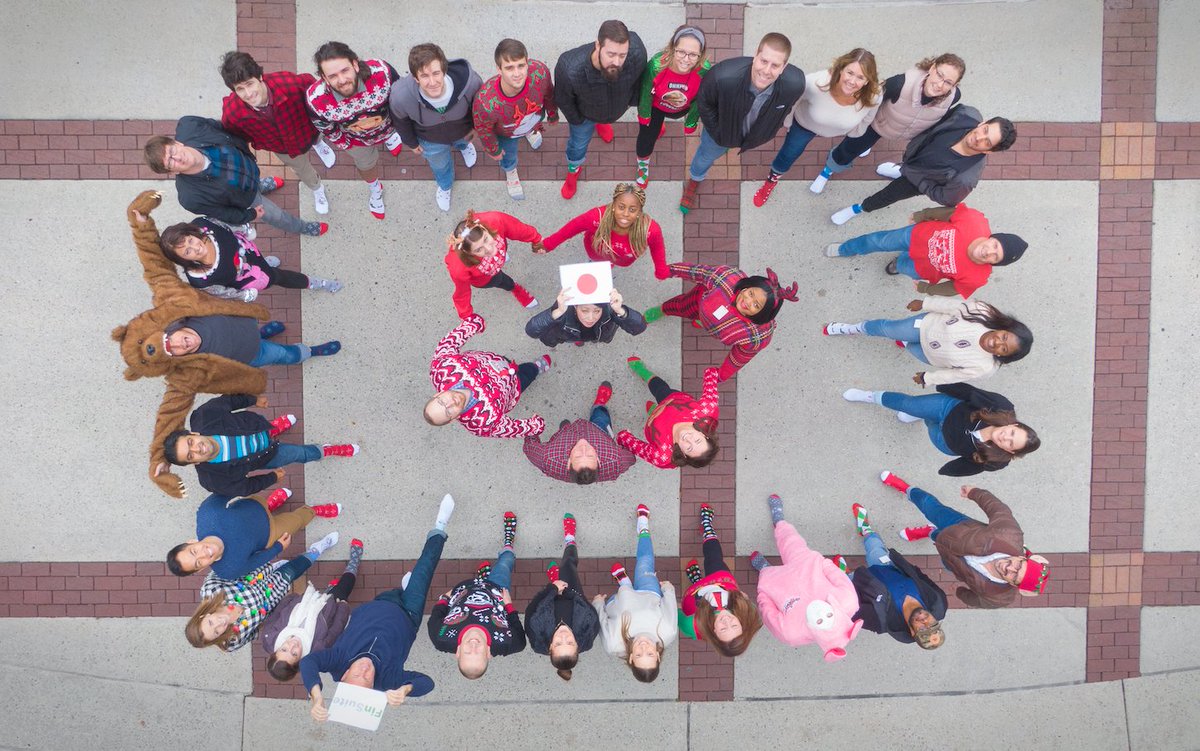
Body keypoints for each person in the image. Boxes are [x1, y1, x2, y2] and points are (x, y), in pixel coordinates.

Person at [303, 495, 456, 720]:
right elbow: (427, 683)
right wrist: (405, 690)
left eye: (357, 675)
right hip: (408, 615)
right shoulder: (388, 681)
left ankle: (405, 586)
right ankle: (440, 526)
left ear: (344, 675)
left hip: (379, 605)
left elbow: (308, 662)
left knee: (407, 584)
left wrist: (316, 696)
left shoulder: (337, 661)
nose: (364, 671)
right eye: (367, 680)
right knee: (424, 570)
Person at [879, 472, 1050, 608]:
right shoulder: (1010, 535)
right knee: (928, 505)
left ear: (1013, 585)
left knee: (938, 539)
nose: (1010, 568)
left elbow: (977, 601)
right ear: (1022, 557)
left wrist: (960, 593)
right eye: (1018, 565)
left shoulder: (999, 598)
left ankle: (930, 532)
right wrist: (974, 493)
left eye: (1014, 576)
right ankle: (908, 490)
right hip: (958, 527)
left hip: (952, 561)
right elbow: (998, 509)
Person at [680, 32, 804, 214]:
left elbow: (787, 107)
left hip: (753, 136)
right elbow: (704, 103)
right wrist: (717, 132)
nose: (767, 70)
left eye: (775, 65)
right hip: (720, 135)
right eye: (764, 61)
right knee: (704, 157)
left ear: (784, 67)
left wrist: (771, 129)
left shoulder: (795, 84)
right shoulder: (722, 76)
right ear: (755, 55)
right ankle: (695, 179)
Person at [830, 105, 1017, 225]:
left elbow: (946, 198)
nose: (979, 137)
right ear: (983, 123)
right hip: (912, 158)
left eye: (987, 142)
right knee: (905, 166)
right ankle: (901, 170)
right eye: (985, 130)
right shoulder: (966, 114)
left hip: (916, 182)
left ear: (989, 151)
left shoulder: (965, 178)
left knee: (886, 196)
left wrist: (918, 180)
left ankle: (859, 208)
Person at [143, 117, 325, 237]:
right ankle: (302, 227)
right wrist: (250, 214)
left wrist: (246, 148)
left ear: (177, 143)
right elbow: (224, 213)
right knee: (277, 216)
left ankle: (261, 186)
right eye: (170, 162)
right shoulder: (191, 198)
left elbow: (223, 128)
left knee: (253, 182)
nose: (177, 158)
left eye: (172, 152)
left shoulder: (189, 125)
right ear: (172, 172)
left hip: (248, 169)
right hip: (248, 199)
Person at [817, 53, 965, 192]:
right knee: (850, 147)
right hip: (877, 125)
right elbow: (873, 99)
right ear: (932, 68)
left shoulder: (953, 97)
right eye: (939, 75)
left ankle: (884, 158)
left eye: (948, 82)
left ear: (955, 85)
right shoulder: (900, 83)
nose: (940, 85)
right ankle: (829, 169)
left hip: (905, 132)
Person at [161, 393, 358, 497]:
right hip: (267, 455)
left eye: (190, 442)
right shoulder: (213, 481)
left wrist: (253, 400)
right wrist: (271, 478)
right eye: (190, 455)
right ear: (193, 463)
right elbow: (246, 488)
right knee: (300, 454)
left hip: (256, 426)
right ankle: (323, 451)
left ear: (193, 433)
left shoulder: (204, 416)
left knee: (267, 429)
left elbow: (229, 400)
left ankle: (274, 428)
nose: (197, 449)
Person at [753, 48, 882, 207]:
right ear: (841, 69)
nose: (852, 81)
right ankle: (771, 181)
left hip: (837, 130)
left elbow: (869, 116)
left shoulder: (874, 94)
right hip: (804, 125)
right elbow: (793, 102)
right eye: (850, 73)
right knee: (788, 154)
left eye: (860, 77)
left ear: (868, 81)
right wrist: (788, 122)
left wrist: (856, 132)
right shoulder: (815, 83)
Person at [218, 51, 337, 216]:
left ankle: (319, 145)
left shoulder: (289, 83)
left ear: (260, 77)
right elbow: (237, 135)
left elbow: (312, 87)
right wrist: (260, 142)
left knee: (317, 137)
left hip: (307, 129)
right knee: (302, 170)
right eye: (240, 89)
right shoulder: (233, 113)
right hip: (282, 148)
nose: (248, 93)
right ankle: (317, 188)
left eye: (250, 84)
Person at [824, 204, 1028, 298]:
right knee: (876, 241)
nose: (989, 252)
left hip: (920, 268)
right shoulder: (974, 220)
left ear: (994, 264)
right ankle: (846, 248)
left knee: (902, 266)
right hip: (913, 236)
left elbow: (953, 289)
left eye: (995, 257)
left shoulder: (978, 278)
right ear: (993, 237)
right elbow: (947, 213)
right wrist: (922, 215)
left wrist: (927, 289)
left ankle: (897, 264)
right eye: (995, 246)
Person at [748, 494, 863, 661]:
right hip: (806, 564)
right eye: (830, 616)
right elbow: (838, 577)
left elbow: (768, 614)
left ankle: (764, 568)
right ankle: (779, 521)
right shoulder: (848, 601)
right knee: (790, 540)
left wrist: (764, 592)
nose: (821, 613)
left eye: (820, 622)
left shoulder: (791, 634)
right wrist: (821, 562)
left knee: (767, 575)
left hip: (779, 585)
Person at [823, 297, 1033, 386]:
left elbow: (954, 376)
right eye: (1004, 337)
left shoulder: (985, 367)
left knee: (909, 347)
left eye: (1004, 349)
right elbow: (951, 306)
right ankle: (854, 328)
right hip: (925, 326)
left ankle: (904, 342)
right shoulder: (982, 312)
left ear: (1003, 356)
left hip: (929, 356)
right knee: (888, 329)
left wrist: (928, 378)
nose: (997, 343)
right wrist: (925, 303)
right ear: (1005, 328)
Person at [842, 383, 1040, 476]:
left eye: (1010, 443)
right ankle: (870, 396)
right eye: (1012, 433)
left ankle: (922, 415)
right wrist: (941, 384)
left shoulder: (998, 461)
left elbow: (970, 466)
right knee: (908, 404)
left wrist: (948, 470)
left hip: (945, 441)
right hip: (947, 408)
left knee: (930, 423)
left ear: (1010, 451)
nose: (1005, 437)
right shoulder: (1002, 407)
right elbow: (972, 393)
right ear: (1014, 425)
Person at [644, 264, 797, 381]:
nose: (748, 301)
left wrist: (722, 375)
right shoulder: (726, 278)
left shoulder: (758, 336)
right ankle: (663, 309)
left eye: (756, 305)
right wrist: (670, 270)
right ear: (747, 285)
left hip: (715, 327)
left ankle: (700, 322)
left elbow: (739, 357)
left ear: (762, 314)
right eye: (751, 293)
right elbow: (698, 272)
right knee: (679, 305)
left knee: (698, 318)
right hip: (698, 302)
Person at [305, 41, 404, 220]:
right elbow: (326, 128)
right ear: (324, 78)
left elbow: (400, 99)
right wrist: (347, 145)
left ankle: (390, 138)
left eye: (345, 70)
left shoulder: (382, 73)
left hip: (388, 126)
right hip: (358, 141)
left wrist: (398, 126)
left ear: (355, 64)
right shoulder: (317, 100)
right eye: (333, 76)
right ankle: (375, 188)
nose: (342, 80)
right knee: (366, 166)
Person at [554, 19, 648, 199]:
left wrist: (632, 101)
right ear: (598, 45)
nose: (617, 62)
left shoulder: (637, 53)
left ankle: (603, 122)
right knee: (577, 146)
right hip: (586, 115)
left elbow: (639, 81)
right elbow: (564, 100)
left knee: (602, 119)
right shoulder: (569, 68)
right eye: (611, 54)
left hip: (616, 106)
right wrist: (577, 120)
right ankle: (573, 170)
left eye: (622, 55)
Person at [428, 512, 526, 679]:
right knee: (506, 562)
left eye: (467, 652)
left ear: (458, 652)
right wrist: (509, 607)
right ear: (488, 653)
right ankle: (508, 541)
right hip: (496, 590)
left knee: (481, 580)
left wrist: (444, 599)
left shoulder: (441, 638)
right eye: (478, 652)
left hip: (465, 590)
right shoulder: (508, 642)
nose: (473, 646)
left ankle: (482, 577)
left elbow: (435, 618)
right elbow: (519, 637)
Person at [186, 545, 336, 652]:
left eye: (211, 622)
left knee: (278, 567)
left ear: (203, 615)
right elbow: (252, 634)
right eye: (216, 632)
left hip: (258, 574)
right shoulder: (232, 642)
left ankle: (276, 566)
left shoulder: (211, 591)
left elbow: (223, 570)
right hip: (273, 594)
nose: (220, 624)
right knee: (292, 570)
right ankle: (316, 551)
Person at [390, 43, 483, 211]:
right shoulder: (400, 96)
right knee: (440, 166)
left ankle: (464, 147)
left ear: (444, 71)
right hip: (430, 140)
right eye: (424, 76)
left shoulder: (471, 84)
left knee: (463, 142)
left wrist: (476, 128)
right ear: (415, 78)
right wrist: (411, 143)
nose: (432, 82)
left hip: (463, 131)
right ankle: (445, 185)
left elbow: (479, 109)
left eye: (436, 73)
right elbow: (401, 122)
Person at [425, 314, 550, 438]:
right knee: (526, 375)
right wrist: (533, 426)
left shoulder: (441, 369)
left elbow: (447, 344)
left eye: (442, 401)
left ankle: (514, 365)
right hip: (511, 387)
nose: (451, 403)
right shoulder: (480, 424)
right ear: (452, 419)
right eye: (448, 412)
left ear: (437, 394)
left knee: (506, 362)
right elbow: (508, 429)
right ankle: (535, 368)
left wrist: (472, 325)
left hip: (493, 362)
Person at [159, 217, 341, 302]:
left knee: (263, 263)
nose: (196, 247)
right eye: (187, 252)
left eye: (191, 240)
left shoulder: (202, 225)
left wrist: (244, 230)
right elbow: (223, 292)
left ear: (191, 233)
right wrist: (244, 296)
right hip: (248, 276)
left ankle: (265, 264)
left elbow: (225, 225)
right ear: (182, 260)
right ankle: (313, 283)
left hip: (248, 252)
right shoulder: (200, 280)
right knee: (277, 277)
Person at [167, 491, 341, 579]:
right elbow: (256, 561)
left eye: (194, 551)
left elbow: (227, 489)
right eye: (198, 563)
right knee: (296, 521)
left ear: (191, 541)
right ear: (201, 569)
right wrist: (278, 547)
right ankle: (311, 511)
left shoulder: (207, 514)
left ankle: (271, 504)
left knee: (265, 504)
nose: (203, 554)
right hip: (270, 533)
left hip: (254, 504)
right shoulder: (228, 571)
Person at [593, 504, 677, 683]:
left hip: (619, 601)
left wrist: (598, 604)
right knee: (645, 561)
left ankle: (624, 582)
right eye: (650, 654)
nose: (644, 647)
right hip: (649, 591)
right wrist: (668, 589)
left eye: (639, 654)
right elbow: (670, 608)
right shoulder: (668, 632)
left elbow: (602, 622)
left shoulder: (612, 644)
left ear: (631, 658)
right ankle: (643, 526)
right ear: (658, 656)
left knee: (624, 590)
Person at [843, 503, 946, 649]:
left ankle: (845, 573)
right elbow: (922, 579)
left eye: (923, 629)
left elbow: (851, 609)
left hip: (860, 584)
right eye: (933, 625)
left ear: (912, 632)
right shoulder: (938, 601)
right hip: (887, 566)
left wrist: (846, 586)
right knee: (874, 544)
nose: (925, 621)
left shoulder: (882, 623)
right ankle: (865, 529)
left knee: (843, 580)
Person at [262, 538, 364, 680]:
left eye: (284, 649)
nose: (292, 645)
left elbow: (277, 612)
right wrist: (342, 607)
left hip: (308, 600)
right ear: (299, 662)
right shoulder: (316, 650)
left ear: (276, 650)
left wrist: (292, 598)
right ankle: (354, 561)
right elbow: (335, 630)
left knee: (325, 594)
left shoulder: (269, 636)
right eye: (294, 654)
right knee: (344, 586)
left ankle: (330, 589)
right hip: (331, 609)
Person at [472, 38, 557, 201]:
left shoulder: (540, 73)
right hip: (506, 134)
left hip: (532, 120)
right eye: (509, 67)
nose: (517, 74)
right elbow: (484, 130)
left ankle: (529, 132)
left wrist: (552, 113)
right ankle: (510, 171)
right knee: (508, 155)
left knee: (531, 124)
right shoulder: (485, 103)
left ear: (527, 62)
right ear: (499, 69)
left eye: (521, 65)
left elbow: (548, 94)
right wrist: (493, 150)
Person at [524, 513, 602, 680]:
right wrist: (568, 591)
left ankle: (554, 579)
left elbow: (533, 608)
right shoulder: (587, 634)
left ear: (550, 647)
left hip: (550, 598)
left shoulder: (537, 636)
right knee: (568, 566)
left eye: (559, 643)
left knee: (556, 582)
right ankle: (570, 539)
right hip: (571, 594)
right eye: (570, 643)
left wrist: (552, 589)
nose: (564, 637)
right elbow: (588, 610)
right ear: (578, 645)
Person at [536, 183, 669, 279]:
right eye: (621, 207)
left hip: (622, 260)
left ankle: (610, 264)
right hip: (595, 253)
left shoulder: (650, 229)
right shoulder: (596, 217)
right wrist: (548, 244)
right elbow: (570, 229)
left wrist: (661, 268)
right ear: (613, 205)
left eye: (632, 209)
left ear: (640, 211)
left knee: (611, 262)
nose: (625, 214)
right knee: (596, 262)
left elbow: (657, 248)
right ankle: (600, 264)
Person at [678, 504, 762, 657]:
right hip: (721, 581)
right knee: (714, 557)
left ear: (714, 633)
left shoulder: (692, 626)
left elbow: (674, 613)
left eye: (723, 629)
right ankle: (706, 525)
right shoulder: (747, 612)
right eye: (734, 625)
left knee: (699, 590)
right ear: (742, 624)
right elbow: (746, 599)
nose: (727, 621)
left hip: (696, 594)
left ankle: (696, 579)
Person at [635, 25, 711, 188]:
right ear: (672, 48)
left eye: (693, 54)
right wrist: (644, 116)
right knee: (646, 139)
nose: (686, 59)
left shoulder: (704, 70)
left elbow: (700, 98)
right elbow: (646, 90)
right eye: (681, 52)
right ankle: (642, 165)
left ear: (701, 54)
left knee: (658, 126)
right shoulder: (656, 65)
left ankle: (659, 125)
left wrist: (691, 122)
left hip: (682, 108)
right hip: (656, 107)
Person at [523, 381, 636, 484]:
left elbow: (529, 447)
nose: (583, 446)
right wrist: (627, 440)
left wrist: (533, 428)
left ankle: (565, 428)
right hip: (598, 431)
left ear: (568, 463)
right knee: (600, 416)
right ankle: (599, 404)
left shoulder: (547, 459)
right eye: (590, 455)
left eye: (578, 456)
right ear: (598, 461)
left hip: (564, 436)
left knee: (564, 430)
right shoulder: (617, 461)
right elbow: (631, 457)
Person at [617, 358, 720, 469]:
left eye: (689, 448)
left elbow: (634, 445)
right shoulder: (707, 410)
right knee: (659, 388)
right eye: (697, 440)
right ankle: (642, 370)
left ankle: (653, 411)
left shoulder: (661, 456)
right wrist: (716, 373)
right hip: (671, 399)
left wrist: (624, 437)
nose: (689, 439)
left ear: (684, 455)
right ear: (704, 435)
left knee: (656, 414)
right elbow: (710, 375)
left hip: (654, 424)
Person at [444, 209, 542, 319]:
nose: (489, 249)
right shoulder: (458, 267)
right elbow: (462, 293)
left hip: (496, 258)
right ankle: (514, 288)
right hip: (486, 277)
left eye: (486, 239)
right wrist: (467, 317)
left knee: (499, 254)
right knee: (501, 280)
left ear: (484, 228)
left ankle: (500, 258)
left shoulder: (495, 220)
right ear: (468, 252)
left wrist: (537, 240)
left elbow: (518, 229)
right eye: (478, 249)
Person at [163, 315, 340, 368]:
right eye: (173, 351)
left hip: (247, 329)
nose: (180, 345)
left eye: (171, 340)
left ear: (171, 329)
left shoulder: (193, 313)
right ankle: (309, 352)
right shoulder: (198, 364)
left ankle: (261, 334)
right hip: (254, 354)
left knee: (254, 334)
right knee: (285, 354)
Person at [525, 287, 646, 347]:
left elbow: (639, 327)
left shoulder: (610, 309)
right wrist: (558, 312)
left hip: (600, 334)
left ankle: (590, 340)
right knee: (579, 338)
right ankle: (580, 340)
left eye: (597, 311)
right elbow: (531, 330)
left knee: (594, 338)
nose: (590, 318)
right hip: (572, 335)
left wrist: (620, 310)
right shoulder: (563, 309)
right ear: (575, 306)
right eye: (584, 310)